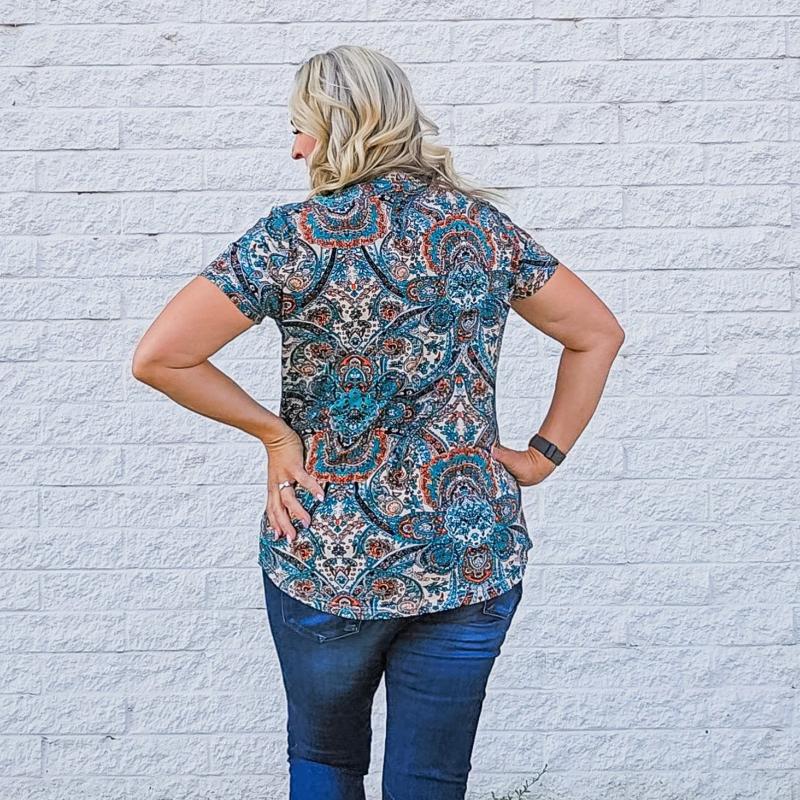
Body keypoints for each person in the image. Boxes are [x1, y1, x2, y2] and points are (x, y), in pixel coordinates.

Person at [131, 44, 625, 800]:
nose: (295, 147)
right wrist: (539, 456)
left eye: (302, 128)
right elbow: (597, 333)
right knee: (431, 781)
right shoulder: (479, 230)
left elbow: (162, 357)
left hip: (329, 550)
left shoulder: (294, 237)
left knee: (326, 764)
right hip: (468, 549)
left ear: (339, 127)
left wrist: (276, 436)